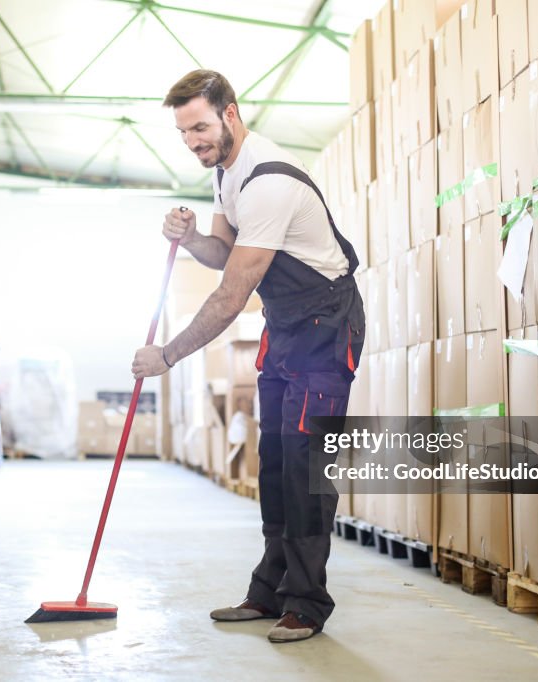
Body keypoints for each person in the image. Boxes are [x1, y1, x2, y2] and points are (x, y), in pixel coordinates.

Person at [131, 70, 365, 643]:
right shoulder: (225, 172)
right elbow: (222, 253)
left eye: (201, 127)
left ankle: (307, 604)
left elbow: (232, 294)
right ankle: (268, 592)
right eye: (184, 132)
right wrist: (189, 239)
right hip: (285, 326)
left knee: (308, 468)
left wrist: (168, 355)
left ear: (231, 113)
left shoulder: (268, 182)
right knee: (277, 464)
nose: (193, 141)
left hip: (326, 327)